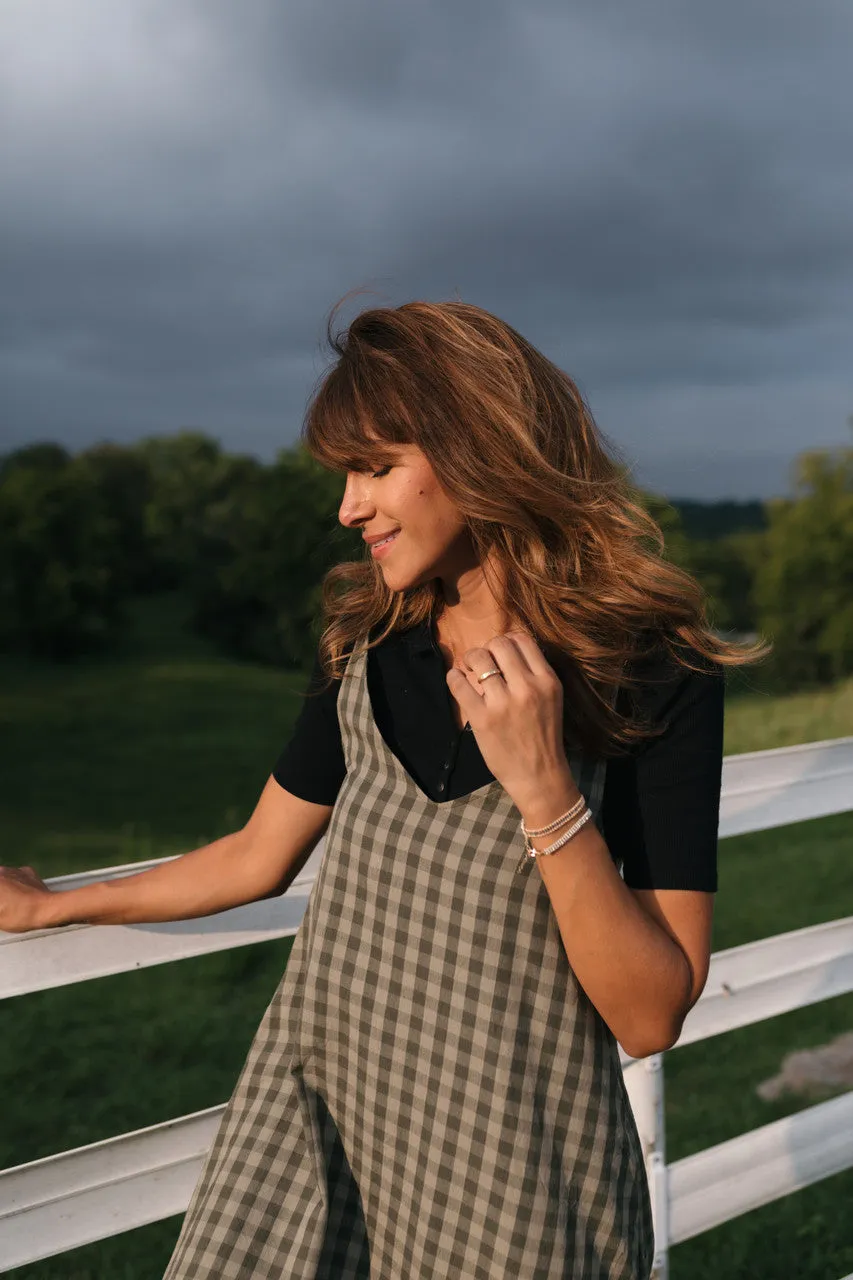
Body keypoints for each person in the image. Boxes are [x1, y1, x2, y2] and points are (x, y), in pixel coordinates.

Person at [0, 299, 767, 1278]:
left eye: (376, 466)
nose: (347, 507)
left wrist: (546, 791)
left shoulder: (652, 668)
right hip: (330, 1124)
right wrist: (53, 902)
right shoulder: (363, 647)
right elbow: (258, 852)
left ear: (479, 444)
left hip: (517, 1184)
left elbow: (650, 1012)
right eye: (345, 474)